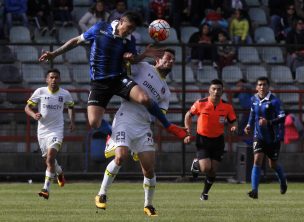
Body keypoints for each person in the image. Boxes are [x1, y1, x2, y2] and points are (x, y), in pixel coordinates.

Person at [39, 11, 187, 140]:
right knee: (94, 123)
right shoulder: (100, 28)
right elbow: (76, 41)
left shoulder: (130, 40)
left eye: (133, 29)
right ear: (121, 21)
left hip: (118, 78)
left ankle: (170, 127)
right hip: (99, 83)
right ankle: (112, 133)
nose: (130, 31)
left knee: (144, 98)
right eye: (129, 27)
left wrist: (139, 55)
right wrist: (54, 53)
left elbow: (132, 60)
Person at [95, 48, 177, 217]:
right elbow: (126, 64)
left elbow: (160, 114)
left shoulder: (166, 92)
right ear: (158, 60)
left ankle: (148, 204)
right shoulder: (143, 67)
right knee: (120, 157)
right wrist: (138, 55)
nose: (170, 61)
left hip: (143, 127)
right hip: (125, 117)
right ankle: (102, 193)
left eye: (173, 60)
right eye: (167, 58)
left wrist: (172, 127)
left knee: (149, 169)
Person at [24, 68, 75, 199]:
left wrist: (71, 121)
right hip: (42, 131)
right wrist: (33, 114)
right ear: (47, 79)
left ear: (60, 79)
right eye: (51, 77)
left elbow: (70, 106)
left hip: (57, 130)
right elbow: (27, 108)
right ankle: (59, 172)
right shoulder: (40, 92)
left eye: (56, 77)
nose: (54, 80)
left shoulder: (65, 94)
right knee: (48, 160)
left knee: (50, 158)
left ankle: (45, 188)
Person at [184, 79, 237, 200]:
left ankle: (205, 193)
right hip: (203, 139)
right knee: (206, 168)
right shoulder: (200, 103)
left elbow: (233, 121)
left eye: (219, 89)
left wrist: (234, 127)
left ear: (222, 91)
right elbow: (188, 115)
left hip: (218, 140)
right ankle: (196, 163)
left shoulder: (227, 106)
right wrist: (187, 132)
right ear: (209, 90)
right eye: (214, 89)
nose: (216, 91)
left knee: (213, 171)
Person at [244, 77, 287, 199]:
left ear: (268, 87)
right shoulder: (253, 99)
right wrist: (248, 125)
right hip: (259, 136)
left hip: (273, 138)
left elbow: (283, 117)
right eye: (260, 85)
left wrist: (268, 122)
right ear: (256, 87)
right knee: (257, 160)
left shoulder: (274, 101)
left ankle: (283, 181)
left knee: (272, 165)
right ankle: (254, 190)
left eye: (264, 85)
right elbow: (252, 114)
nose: (262, 87)